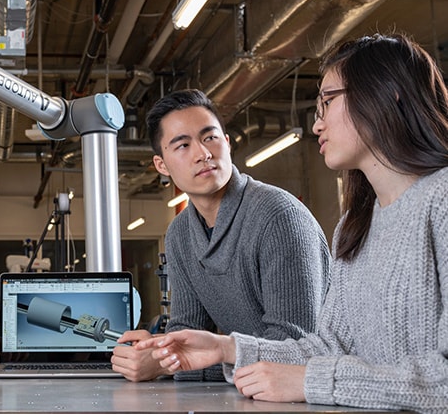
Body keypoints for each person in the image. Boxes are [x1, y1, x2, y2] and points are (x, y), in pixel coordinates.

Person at [136, 33, 448, 412]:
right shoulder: (357, 222)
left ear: (388, 93)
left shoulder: (441, 202)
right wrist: (225, 348)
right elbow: (328, 347)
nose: (317, 124)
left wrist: (313, 380)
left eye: (328, 102)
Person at [111, 89, 331, 382]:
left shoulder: (278, 215)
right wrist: (156, 351)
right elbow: (186, 327)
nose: (203, 154)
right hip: (252, 391)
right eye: (182, 145)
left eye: (210, 137)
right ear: (161, 165)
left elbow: (294, 348)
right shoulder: (180, 234)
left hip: (310, 393)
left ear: (227, 144)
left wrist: (171, 365)